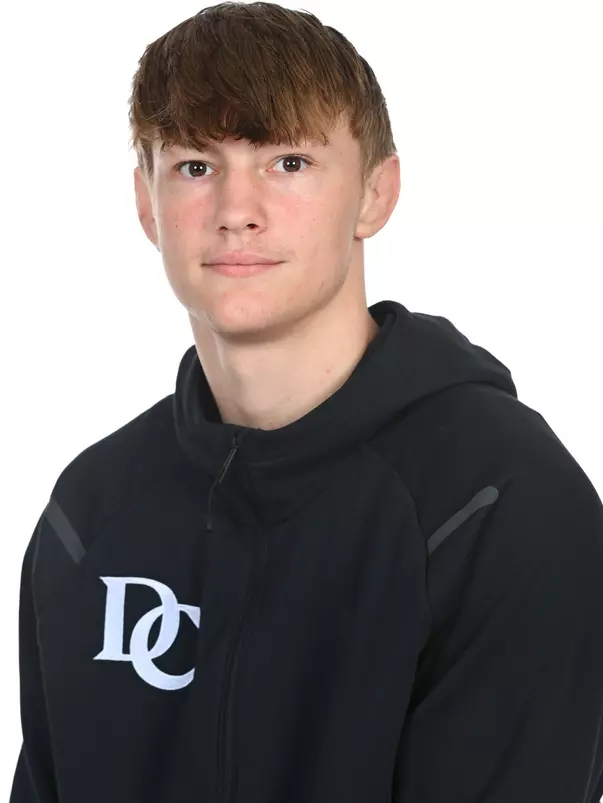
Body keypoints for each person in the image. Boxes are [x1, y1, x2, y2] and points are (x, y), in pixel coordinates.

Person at [9, 2, 603, 802]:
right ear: (147, 204)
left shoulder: (496, 503)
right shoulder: (90, 517)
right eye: (195, 165)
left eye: (287, 162)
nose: (235, 210)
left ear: (374, 195)